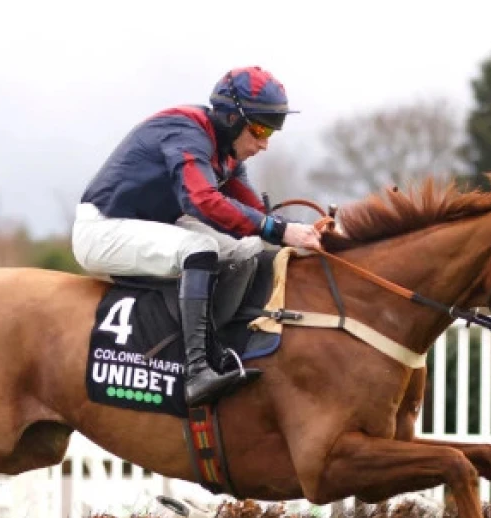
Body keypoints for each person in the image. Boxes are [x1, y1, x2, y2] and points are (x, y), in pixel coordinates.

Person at [72, 66, 323, 407]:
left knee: (247, 248)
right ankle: (195, 372)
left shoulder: (226, 152)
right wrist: (280, 230)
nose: (264, 144)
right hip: (102, 229)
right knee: (201, 247)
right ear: (232, 118)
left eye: (272, 133)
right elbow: (202, 200)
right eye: (260, 129)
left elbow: (256, 217)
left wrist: (305, 233)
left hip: (153, 226)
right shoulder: (186, 131)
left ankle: (217, 349)